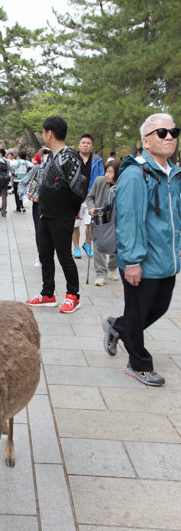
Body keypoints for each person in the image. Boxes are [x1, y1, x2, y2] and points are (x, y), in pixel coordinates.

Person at [102, 113, 181, 386]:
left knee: (159, 308)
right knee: (138, 313)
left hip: (167, 259)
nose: (169, 136)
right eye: (162, 133)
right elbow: (129, 219)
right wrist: (133, 261)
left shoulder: (174, 173)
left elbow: (176, 216)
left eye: (173, 132)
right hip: (142, 260)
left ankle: (118, 327)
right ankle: (139, 364)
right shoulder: (136, 174)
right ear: (146, 142)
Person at [26, 116, 84, 313]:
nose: (43, 135)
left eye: (43, 132)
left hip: (62, 216)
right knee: (45, 255)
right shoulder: (50, 155)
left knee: (64, 256)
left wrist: (71, 210)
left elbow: (78, 189)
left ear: (49, 133)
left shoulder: (70, 156)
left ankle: (73, 295)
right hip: (45, 214)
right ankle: (47, 293)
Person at [86, 159, 121, 285]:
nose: (107, 174)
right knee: (97, 243)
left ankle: (112, 267)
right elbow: (90, 197)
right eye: (107, 171)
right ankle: (101, 273)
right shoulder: (99, 181)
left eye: (110, 172)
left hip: (117, 219)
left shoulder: (123, 185)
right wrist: (91, 208)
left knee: (117, 243)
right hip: (100, 217)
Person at [72, 134, 104, 259]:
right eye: (83, 142)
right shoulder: (72, 159)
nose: (85, 145)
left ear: (92, 146)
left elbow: (101, 178)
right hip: (76, 196)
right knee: (75, 224)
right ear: (79, 145)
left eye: (88, 143)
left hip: (91, 197)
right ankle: (76, 248)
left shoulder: (97, 161)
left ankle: (86, 243)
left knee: (90, 224)